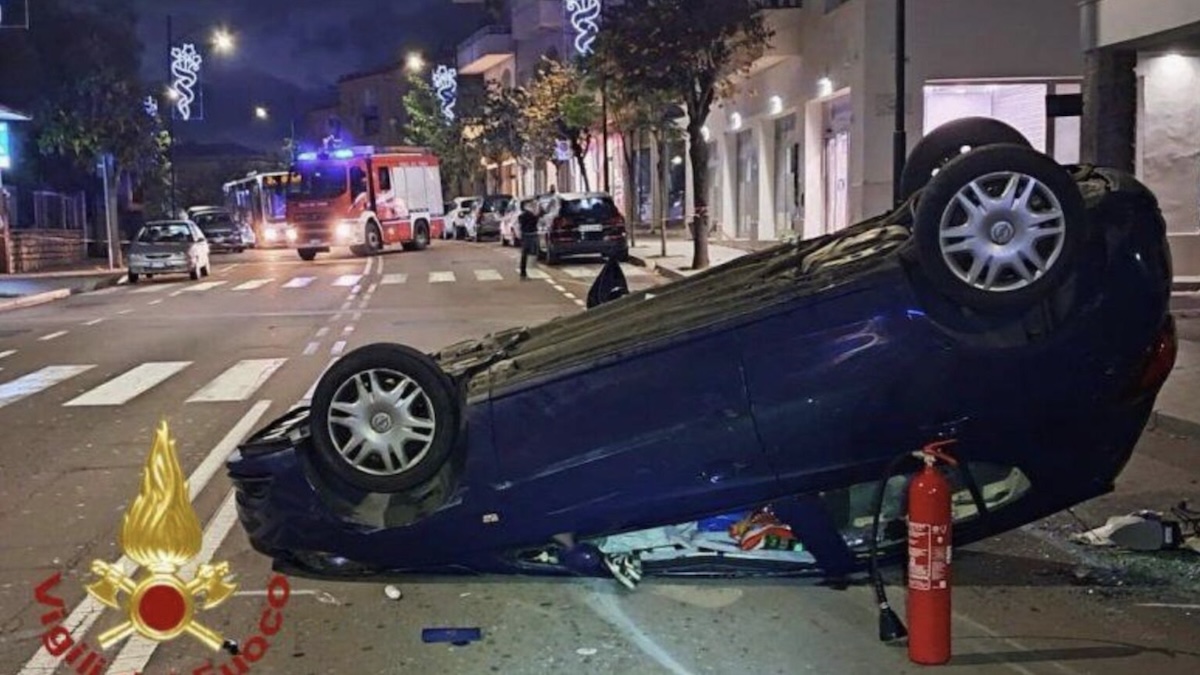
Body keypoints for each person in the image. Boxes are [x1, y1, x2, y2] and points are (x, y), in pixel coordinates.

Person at [517, 199, 541, 279]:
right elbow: (535, 220)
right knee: (532, 252)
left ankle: (523, 273)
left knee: (525, 254)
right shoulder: (530, 215)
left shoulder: (521, 216)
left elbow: (520, 226)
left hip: (525, 235)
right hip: (531, 235)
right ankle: (527, 271)